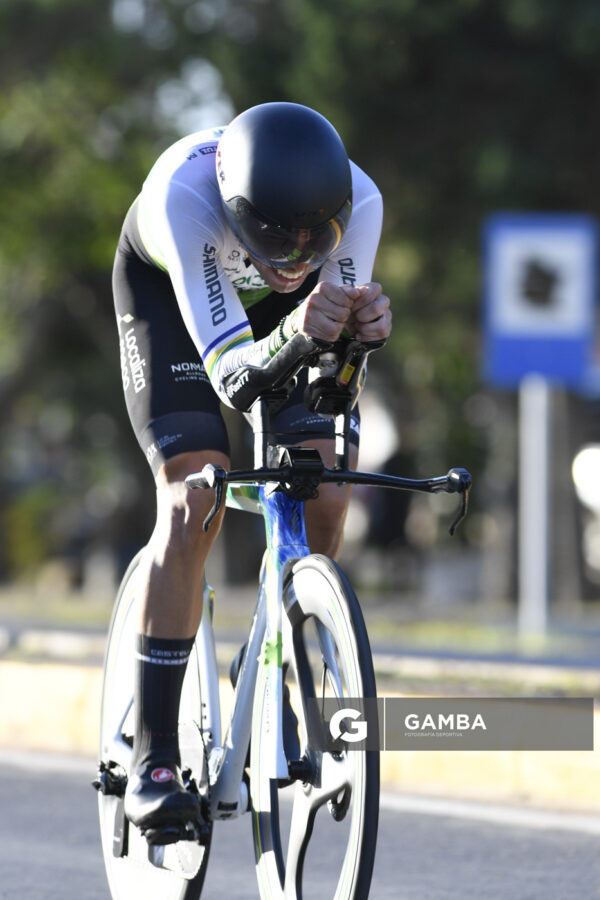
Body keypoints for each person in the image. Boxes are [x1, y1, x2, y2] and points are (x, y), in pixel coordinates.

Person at [112, 101, 392, 839]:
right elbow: (236, 379)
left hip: (287, 321)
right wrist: (302, 329)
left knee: (328, 487)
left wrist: (358, 346)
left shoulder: (361, 205)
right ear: (238, 206)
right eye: (274, 232)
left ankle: (283, 632)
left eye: (315, 235)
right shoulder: (185, 196)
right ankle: (156, 757)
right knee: (192, 495)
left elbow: (333, 383)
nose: (297, 251)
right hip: (175, 307)